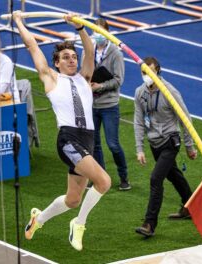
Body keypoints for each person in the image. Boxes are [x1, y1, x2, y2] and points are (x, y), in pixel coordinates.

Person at [13, 12, 111, 251]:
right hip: (68, 139)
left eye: (73, 57)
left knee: (73, 199)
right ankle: (78, 224)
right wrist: (18, 22)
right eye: (66, 57)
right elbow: (32, 45)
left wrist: (80, 28)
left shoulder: (84, 78)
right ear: (56, 62)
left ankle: (40, 218)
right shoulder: (51, 77)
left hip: (87, 139)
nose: (71, 60)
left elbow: (89, 52)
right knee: (104, 181)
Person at [134, 57, 197, 237]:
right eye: (144, 72)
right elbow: (138, 122)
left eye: (151, 72)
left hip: (170, 140)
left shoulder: (170, 92)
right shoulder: (140, 92)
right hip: (154, 143)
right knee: (174, 175)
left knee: (156, 179)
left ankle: (149, 224)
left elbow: (186, 119)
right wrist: (139, 148)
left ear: (159, 70)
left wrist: (189, 146)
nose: (147, 76)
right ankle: (190, 206)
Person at [83, 18, 130, 190]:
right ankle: (100, 178)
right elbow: (84, 72)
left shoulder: (116, 53)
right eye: (94, 31)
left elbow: (119, 80)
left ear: (107, 33)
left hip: (109, 105)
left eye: (100, 31)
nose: (97, 35)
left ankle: (124, 177)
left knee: (113, 144)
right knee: (94, 144)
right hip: (92, 105)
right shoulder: (88, 51)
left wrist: (100, 86)